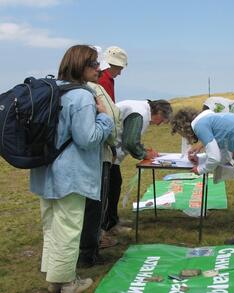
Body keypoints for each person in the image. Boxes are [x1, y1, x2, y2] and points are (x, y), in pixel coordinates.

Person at [30, 45, 114, 293]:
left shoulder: (52, 89)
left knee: (52, 226)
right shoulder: (81, 96)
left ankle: (55, 275)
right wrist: (104, 118)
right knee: (68, 227)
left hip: (45, 170)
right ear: (81, 66)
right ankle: (65, 282)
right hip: (71, 174)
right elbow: (87, 138)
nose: (99, 69)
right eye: (94, 64)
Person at [171, 108, 234, 246]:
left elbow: (215, 158)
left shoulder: (199, 125)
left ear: (184, 127)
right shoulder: (209, 119)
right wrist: (201, 160)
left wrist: (200, 169)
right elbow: (223, 154)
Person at [99, 99, 173, 246]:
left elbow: (130, 137)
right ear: (158, 112)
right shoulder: (140, 113)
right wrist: (144, 154)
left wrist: (144, 150)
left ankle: (111, 223)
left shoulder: (139, 109)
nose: (159, 124)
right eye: (162, 119)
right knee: (108, 191)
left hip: (110, 154)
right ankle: (103, 231)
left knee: (115, 185)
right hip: (105, 154)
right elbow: (130, 142)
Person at [77, 47, 122, 268]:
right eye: (95, 65)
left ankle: (81, 252)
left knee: (82, 207)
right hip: (96, 154)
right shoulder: (93, 88)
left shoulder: (69, 90)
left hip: (78, 158)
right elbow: (109, 120)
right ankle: (88, 253)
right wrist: (113, 143)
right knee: (94, 204)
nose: (99, 68)